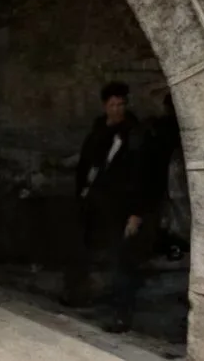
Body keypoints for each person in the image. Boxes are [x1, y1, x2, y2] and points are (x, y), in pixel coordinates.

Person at [64, 81, 151, 333]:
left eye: (121, 104)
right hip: (94, 202)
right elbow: (87, 164)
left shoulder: (134, 135)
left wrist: (136, 212)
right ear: (105, 106)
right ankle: (78, 293)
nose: (117, 109)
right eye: (112, 105)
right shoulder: (98, 131)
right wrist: (82, 192)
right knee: (82, 248)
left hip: (120, 206)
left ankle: (121, 314)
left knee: (122, 259)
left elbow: (141, 175)